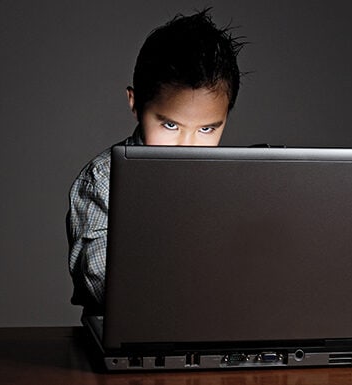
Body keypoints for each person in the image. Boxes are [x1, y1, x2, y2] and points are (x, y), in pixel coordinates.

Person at [67, 9, 245, 315]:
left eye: (207, 129)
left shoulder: (237, 182)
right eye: (170, 126)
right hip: (133, 334)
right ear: (135, 104)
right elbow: (101, 281)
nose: (187, 145)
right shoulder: (102, 180)